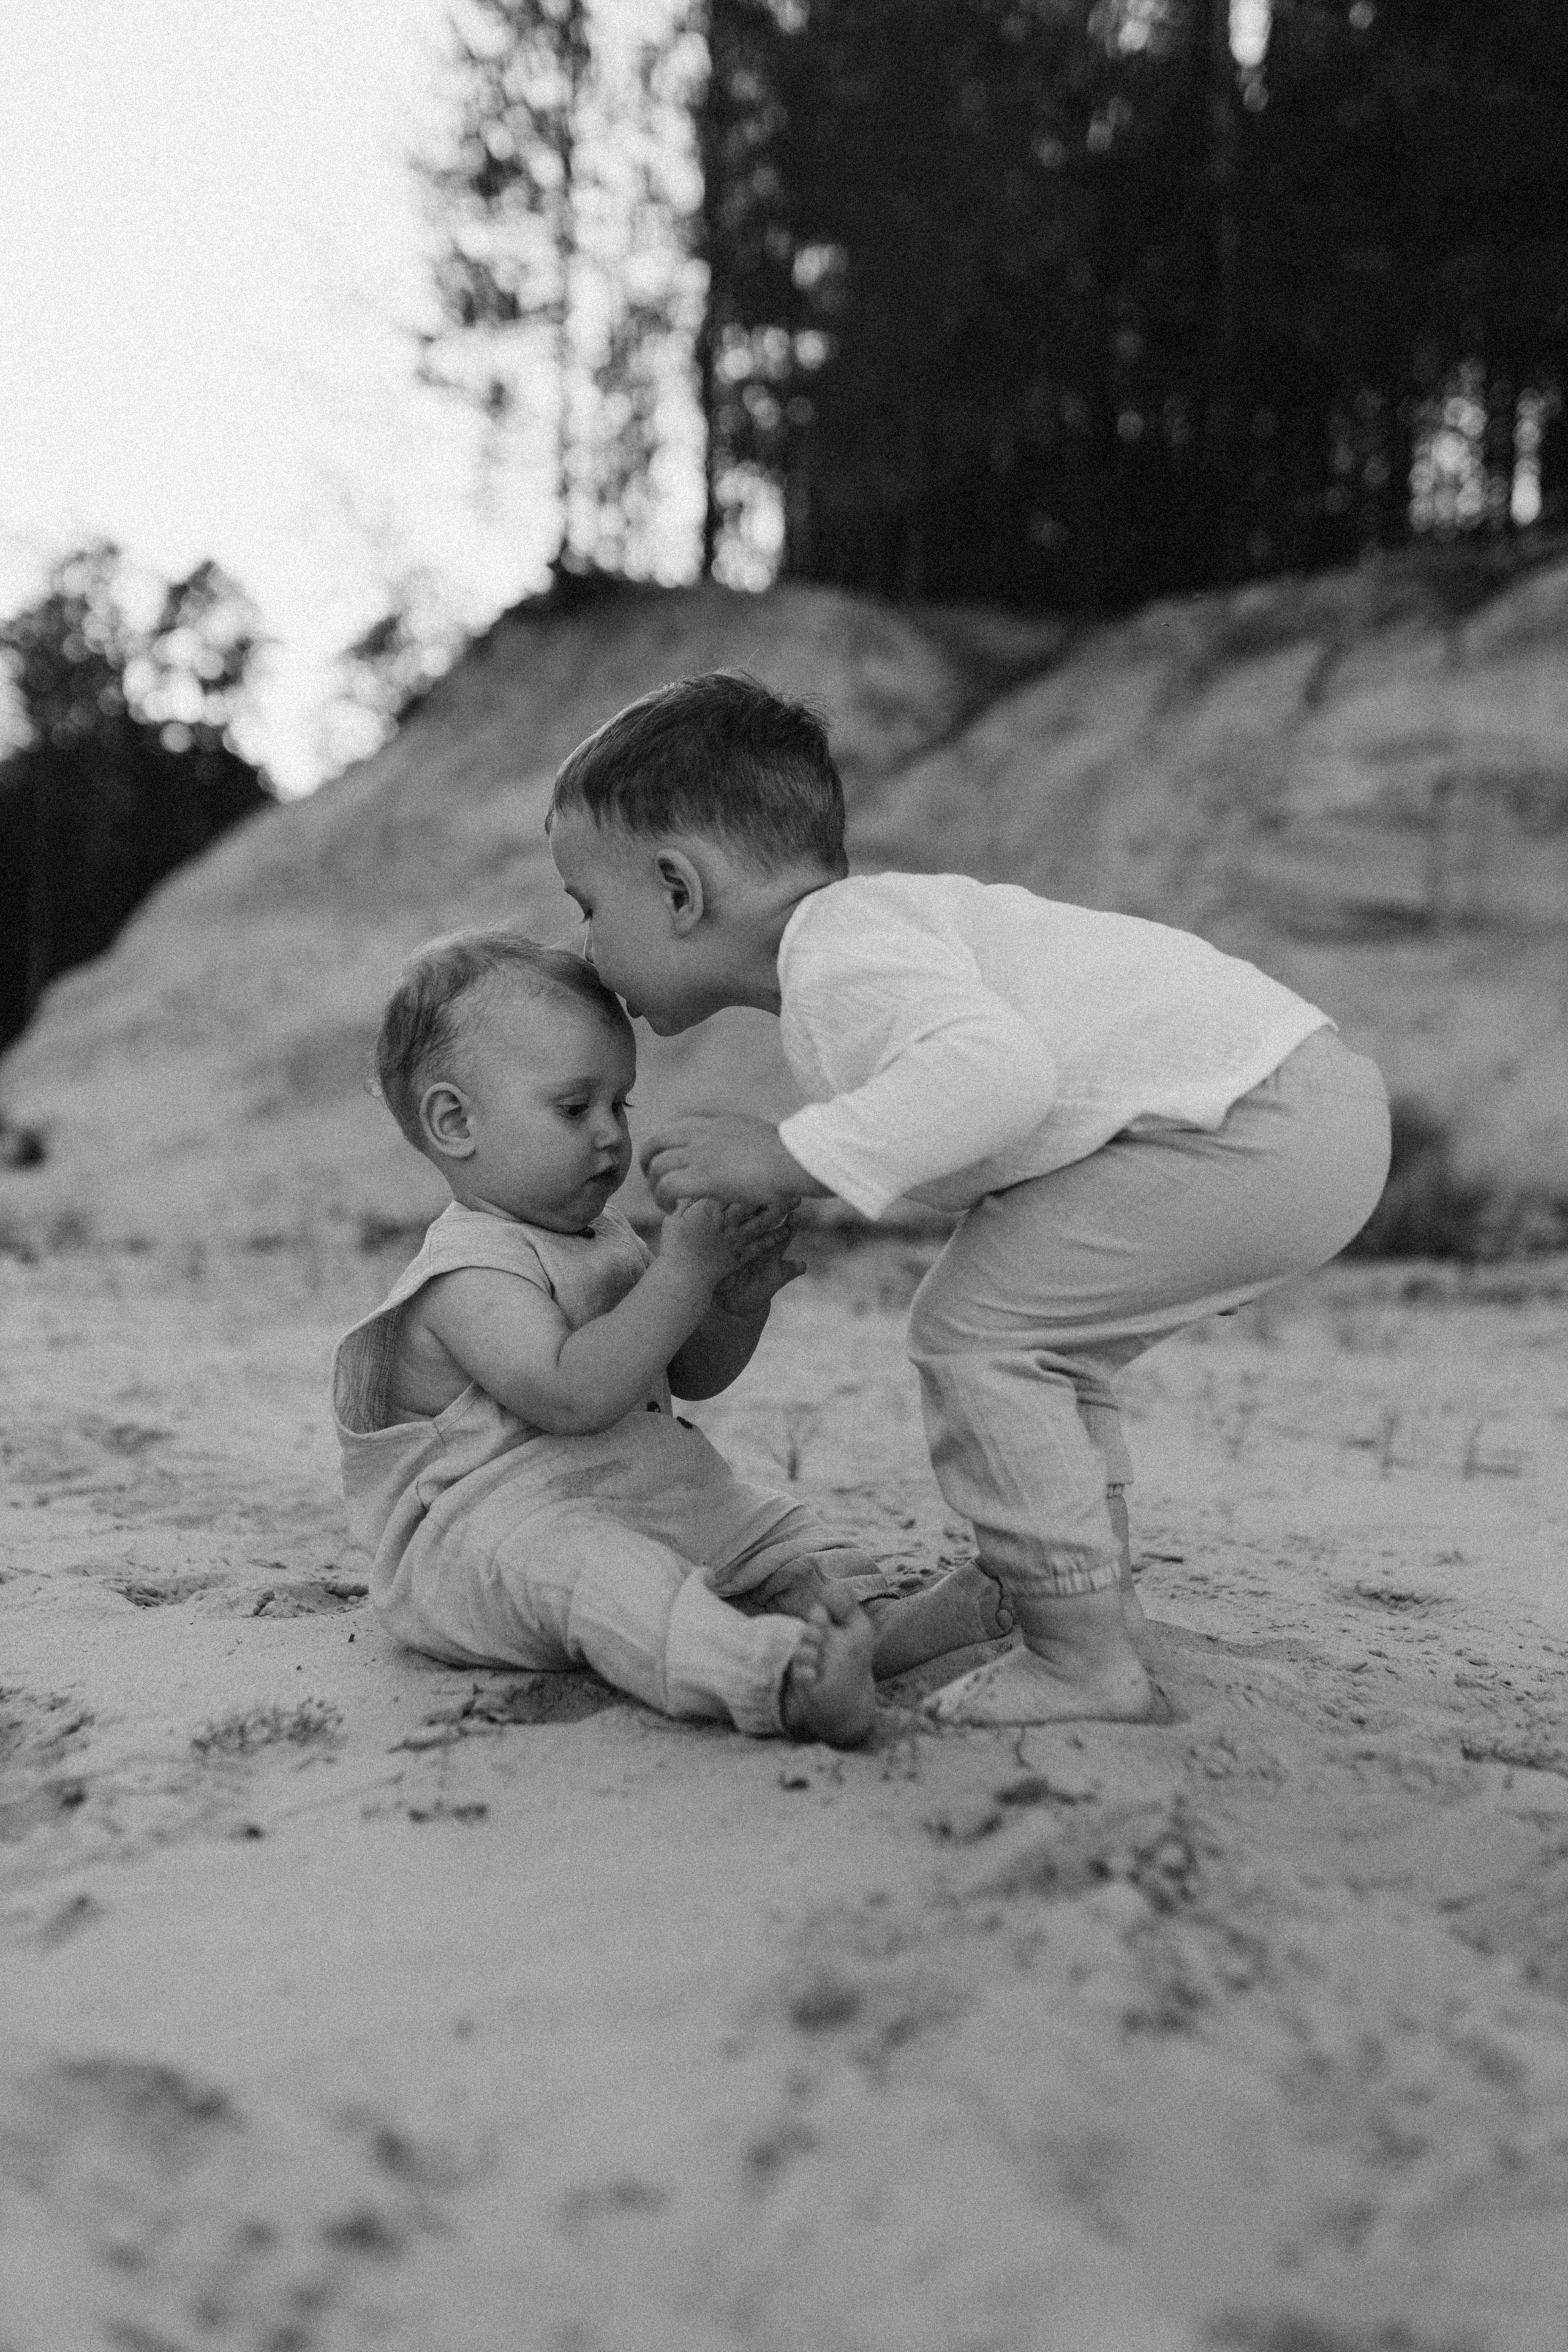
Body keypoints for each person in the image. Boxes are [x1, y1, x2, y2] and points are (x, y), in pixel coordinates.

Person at [545, 671, 1393, 1728]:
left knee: (975, 1331)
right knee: (1037, 1336)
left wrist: (787, 1154)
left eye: (588, 906)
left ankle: (1082, 1654)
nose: (585, 945)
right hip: (1290, 1104)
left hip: (1253, 1120)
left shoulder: (841, 960)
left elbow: (999, 1078)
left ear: (678, 889)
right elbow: (989, 1105)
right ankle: (1052, 1582)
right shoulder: (873, 936)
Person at [332, 931, 1009, 1749]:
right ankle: (774, 1680)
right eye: (574, 1107)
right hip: (491, 1544)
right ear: (455, 1121)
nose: (611, 1134)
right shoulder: (466, 1275)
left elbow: (686, 1375)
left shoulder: (605, 1238)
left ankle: (869, 1630)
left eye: (621, 1104)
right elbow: (576, 1394)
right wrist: (685, 1272)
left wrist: (730, 1304)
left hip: (633, 1496)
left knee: (775, 1533)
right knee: (607, 1579)